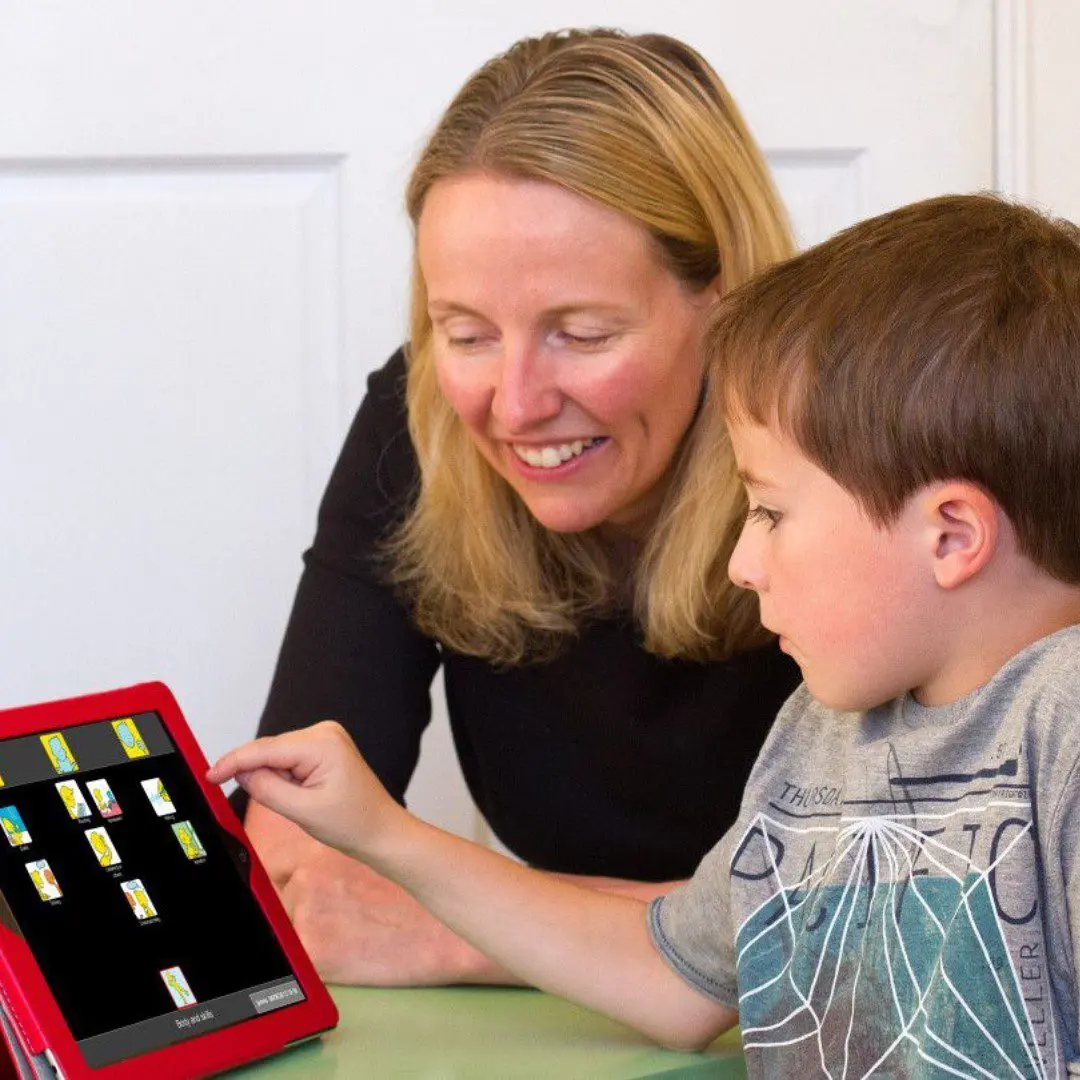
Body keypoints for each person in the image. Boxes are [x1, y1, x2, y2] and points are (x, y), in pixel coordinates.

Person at [212, 192, 1080, 1074]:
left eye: (772, 512)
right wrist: (382, 835)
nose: (743, 563)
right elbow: (676, 981)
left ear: (952, 536)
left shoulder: (1065, 733)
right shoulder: (822, 735)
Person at [242, 26, 802, 986]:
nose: (515, 403)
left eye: (581, 333)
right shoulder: (415, 424)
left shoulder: (864, 438)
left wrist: (463, 927)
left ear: (726, 298)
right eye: (466, 333)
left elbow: (886, 909)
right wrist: (613, 928)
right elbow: (298, 863)